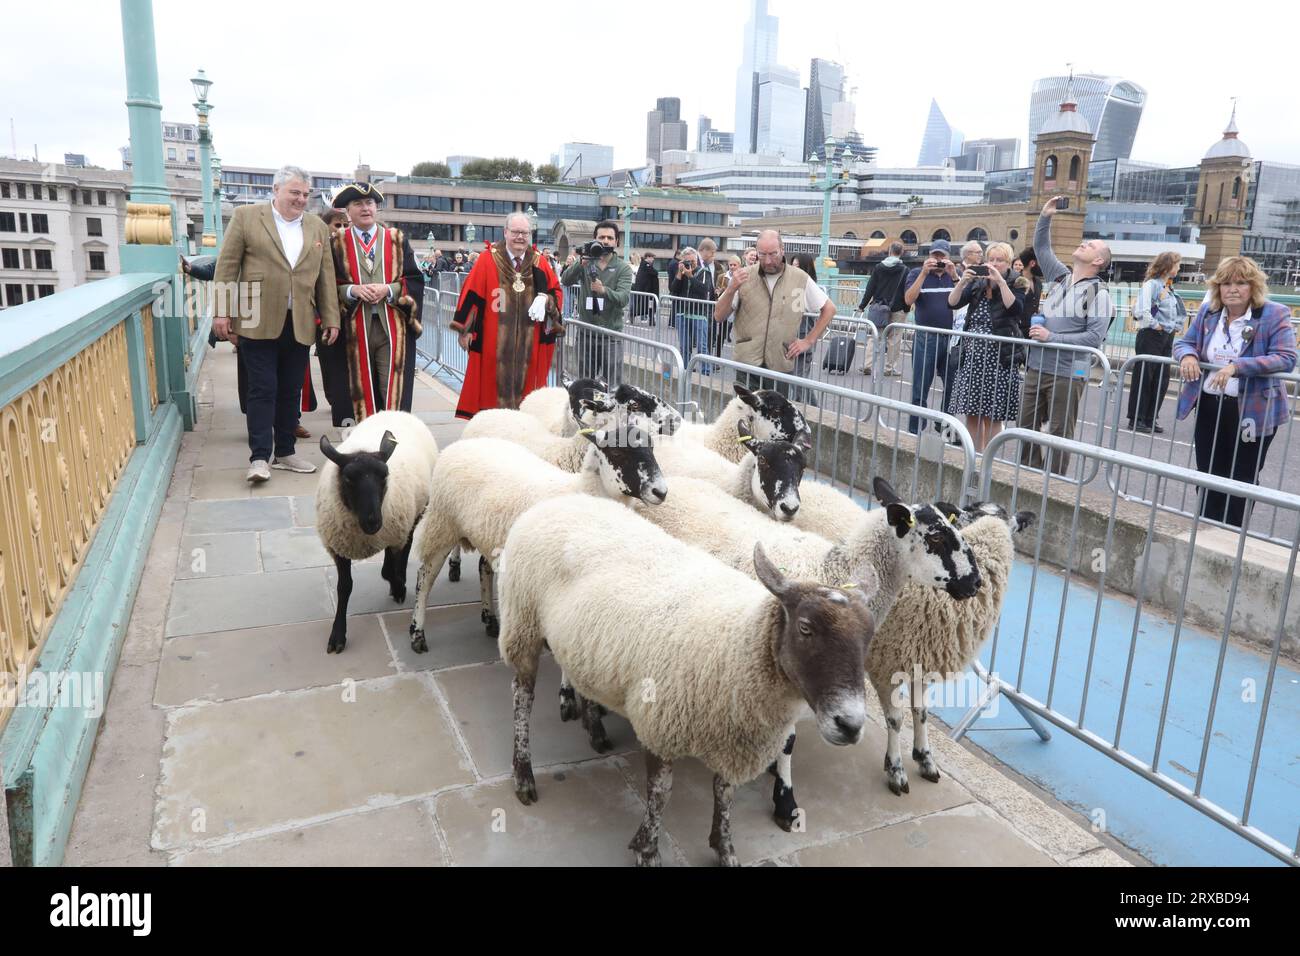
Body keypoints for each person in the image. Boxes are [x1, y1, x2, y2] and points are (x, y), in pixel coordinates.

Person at [213, 165, 340, 483]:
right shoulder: (246, 217)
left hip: (299, 321)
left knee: (290, 390)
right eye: (294, 192)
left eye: (305, 194)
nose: (300, 199)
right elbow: (227, 267)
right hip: (256, 319)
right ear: (276, 190)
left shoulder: (316, 227)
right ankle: (259, 458)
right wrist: (222, 312)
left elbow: (326, 276)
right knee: (262, 389)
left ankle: (285, 452)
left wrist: (331, 317)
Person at [1172, 256, 1297, 527]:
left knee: (1242, 476)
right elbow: (1184, 342)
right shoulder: (1209, 313)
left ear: (1253, 287)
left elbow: (1286, 358)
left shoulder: (1274, 313)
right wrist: (1188, 357)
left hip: (1253, 409)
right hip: (1209, 404)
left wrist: (1237, 366)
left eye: (1241, 283)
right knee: (1208, 471)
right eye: (1226, 283)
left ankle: (1230, 534)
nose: (1233, 289)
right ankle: (1206, 527)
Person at [1016, 197, 1113, 474]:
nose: (1084, 243)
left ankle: (1053, 485)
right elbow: (1042, 248)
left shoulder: (1099, 293)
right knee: (1025, 426)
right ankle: (1027, 475)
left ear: (1098, 260)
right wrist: (1045, 216)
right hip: (1037, 366)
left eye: (1092, 245)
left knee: (1059, 431)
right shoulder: (1060, 277)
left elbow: (1094, 338)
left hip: (1068, 372)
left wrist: (1051, 338)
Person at [324, 182, 425, 425]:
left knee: (391, 388)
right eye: (357, 204)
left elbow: (413, 279)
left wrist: (388, 289)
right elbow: (324, 284)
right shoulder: (336, 242)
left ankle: (393, 442)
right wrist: (351, 290)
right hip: (352, 329)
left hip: (392, 329)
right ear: (347, 211)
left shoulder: (396, 239)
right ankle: (361, 447)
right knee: (357, 389)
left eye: (369, 203)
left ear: (376, 208)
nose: (365, 208)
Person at [450, 211, 563, 419]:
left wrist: (547, 301)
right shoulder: (488, 259)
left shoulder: (539, 263)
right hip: (494, 344)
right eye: (516, 232)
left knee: (527, 402)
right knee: (491, 401)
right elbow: (471, 295)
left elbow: (556, 292)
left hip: (529, 344)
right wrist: (464, 331)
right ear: (505, 232)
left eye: (525, 233)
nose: (520, 237)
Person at [713, 229, 835, 395]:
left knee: (776, 418)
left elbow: (829, 309)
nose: (768, 261)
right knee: (746, 417)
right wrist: (730, 289)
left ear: (782, 250)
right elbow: (719, 316)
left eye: (773, 254)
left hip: (780, 366)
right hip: (747, 364)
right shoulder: (743, 276)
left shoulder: (800, 278)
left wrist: (807, 341)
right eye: (762, 254)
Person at [945, 242, 1026, 452]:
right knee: (972, 413)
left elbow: (1016, 309)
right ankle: (974, 459)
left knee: (992, 415)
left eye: (1000, 260)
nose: (994, 264)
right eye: (991, 259)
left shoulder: (1017, 281)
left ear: (1008, 262)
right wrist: (962, 281)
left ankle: (989, 461)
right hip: (972, 356)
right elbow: (952, 303)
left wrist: (1001, 282)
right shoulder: (978, 283)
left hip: (999, 358)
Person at [561, 220, 634, 385]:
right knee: (585, 384)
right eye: (602, 237)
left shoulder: (623, 268)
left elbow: (623, 299)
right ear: (595, 239)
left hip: (611, 337)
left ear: (616, 242)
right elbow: (565, 280)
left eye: (610, 237)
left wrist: (604, 290)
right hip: (586, 333)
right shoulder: (586, 262)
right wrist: (580, 264)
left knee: (612, 386)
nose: (606, 241)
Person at [902, 238, 958, 433]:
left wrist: (956, 275)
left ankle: (944, 426)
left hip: (951, 338)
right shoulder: (917, 273)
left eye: (942, 256)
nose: (938, 260)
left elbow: (963, 300)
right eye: (935, 255)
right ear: (929, 256)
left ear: (949, 257)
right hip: (926, 338)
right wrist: (924, 273)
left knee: (953, 385)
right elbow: (908, 299)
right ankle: (915, 431)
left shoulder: (952, 276)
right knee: (920, 387)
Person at [1126, 251, 1186, 433]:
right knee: (1145, 376)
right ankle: (1137, 418)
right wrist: (1157, 326)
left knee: (1161, 378)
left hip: (1165, 336)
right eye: (1177, 264)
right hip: (1151, 335)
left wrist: (1173, 327)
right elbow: (1141, 311)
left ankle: (1151, 417)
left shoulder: (1168, 287)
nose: (1179, 267)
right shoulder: (1151, 285)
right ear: (1168, 266)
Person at [858, 240, 908, 376]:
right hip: (898, 308)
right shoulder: (905, 270)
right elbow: (907, 291)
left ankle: (868, 365)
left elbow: (870, 288)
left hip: (879, 307)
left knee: (876, 335)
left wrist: (862, 305)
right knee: (895, 338)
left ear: (889, 251)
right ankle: (889, 368)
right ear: (901, 253)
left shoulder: (879, 267)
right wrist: (907, 307)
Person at [790, 253, 828, 405]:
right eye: (792, 266)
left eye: (797, 267)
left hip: (804, 338)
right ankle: (815, 409)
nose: (793, 270)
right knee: (797, 379)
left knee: (798, 379)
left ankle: (808, 409)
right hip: (791, 338)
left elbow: (827, 310)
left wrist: (809, 340)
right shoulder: (791, 286)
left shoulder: (810, 287)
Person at [669, 246, 715, 372]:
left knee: (702, 346)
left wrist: (690, 276)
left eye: (692, 261)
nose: (690, 264)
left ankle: (705, 372)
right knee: (684, 346)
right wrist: (680, 273)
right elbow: (673, 289)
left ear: (696, 259)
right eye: (687, 261)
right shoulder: (682, 274)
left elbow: (703, 289)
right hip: (683, 313)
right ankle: (685, 370)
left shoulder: (704, 272)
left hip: (699, 314)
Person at [697, 239, 729, 363]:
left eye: (714, 252)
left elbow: (723, 282)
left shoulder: (719, 267)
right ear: (704, 251)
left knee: (711, 332)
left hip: (714, 304)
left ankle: (709, 358)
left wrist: (720, 290)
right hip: (701, 304)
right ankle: (702, 358)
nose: (713, 255)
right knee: (702, 333)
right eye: (711, 252)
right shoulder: (698, 265)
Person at [631, 251, 659, 324]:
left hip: (648, 290)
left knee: (650, 305)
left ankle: (651, 319)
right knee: (645, 305)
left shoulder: (645, 265)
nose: (653, 259)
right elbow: (655, 272)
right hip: (646, 290)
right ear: (648, 257)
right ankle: (633, 315)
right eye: (652, 258)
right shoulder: (646, 265)